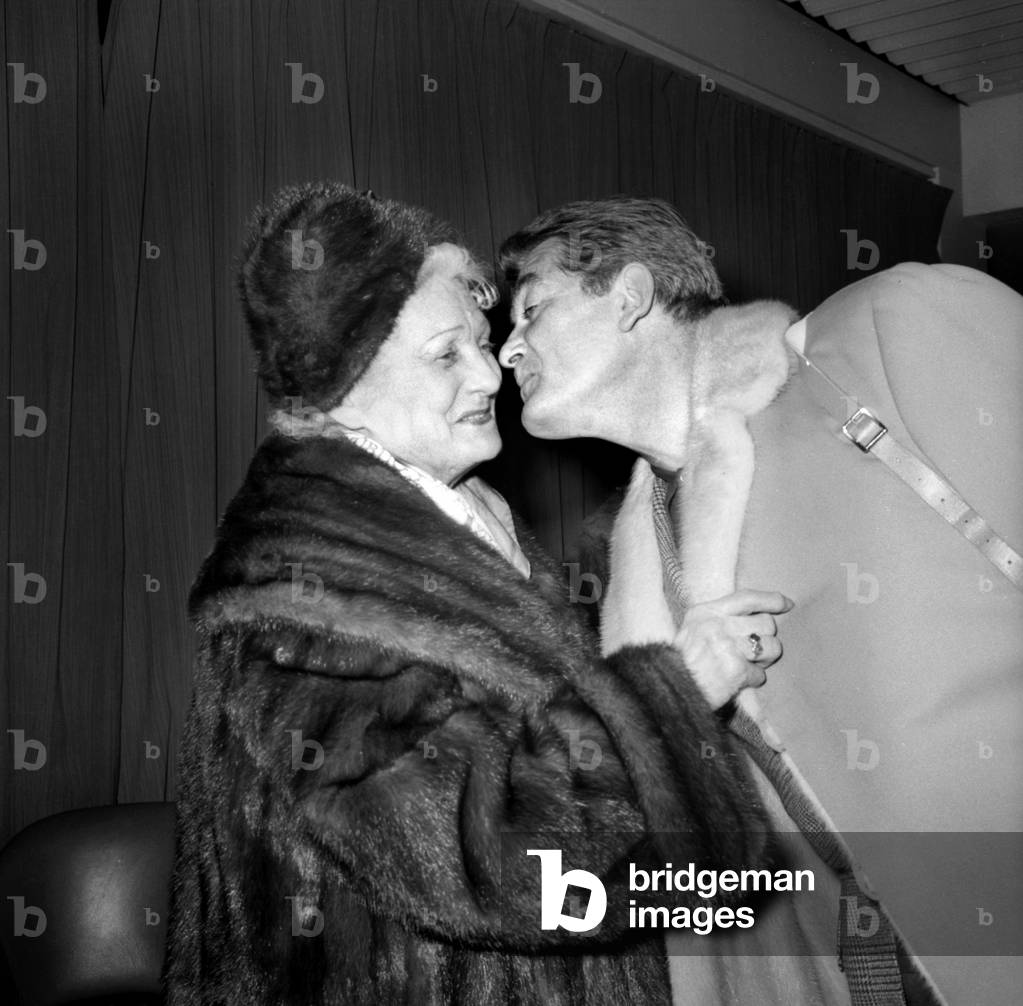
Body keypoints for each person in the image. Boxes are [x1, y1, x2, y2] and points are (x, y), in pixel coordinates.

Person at [162, 182, 796, 1005]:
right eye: (443, 355)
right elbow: (470, 854)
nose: (490, 369)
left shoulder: (468, 522)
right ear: (339, 392)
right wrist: (672, 698)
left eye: (480, 341)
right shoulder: (302, 590)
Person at [497, 196, 959, 1005]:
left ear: (631, 296)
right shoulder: (637, 551)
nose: (506, 348)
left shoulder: (860, 362)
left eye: (531, 309)